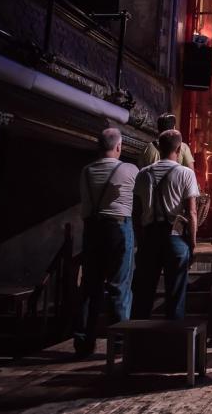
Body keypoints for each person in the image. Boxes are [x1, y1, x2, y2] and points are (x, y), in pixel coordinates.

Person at [73, 128, 138, 357]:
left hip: (92, 228)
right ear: (119, 147)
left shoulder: (86, 171)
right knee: (119, 286)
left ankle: (83, 342)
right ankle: (119, 343)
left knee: (90, 287)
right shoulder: (129, 170)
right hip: (118, 227)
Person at [132, 129, 200, 320]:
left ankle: (138, 334)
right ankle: (172, 335)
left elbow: (136, 212)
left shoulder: (143, 174)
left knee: (143, 294)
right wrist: (192, 243)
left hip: (149, 235)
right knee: (176, 294)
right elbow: (192, 212)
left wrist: (140, 240)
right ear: (178, 149)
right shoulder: (186, 173)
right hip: (175, 236)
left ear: (158, 148)